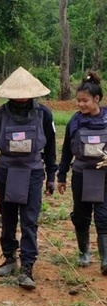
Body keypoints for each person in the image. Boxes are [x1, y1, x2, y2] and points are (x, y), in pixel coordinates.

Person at [0, 66, 57, 290]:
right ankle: (10, 258)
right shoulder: (0, 114)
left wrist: (51, 175)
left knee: (29, 221)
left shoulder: (44, 114)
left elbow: (50, 147)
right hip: (6, 173)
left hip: (32, 173)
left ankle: (27, 267)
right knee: (8, 218)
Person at [57, 72, 107, 275]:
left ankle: (105, 259)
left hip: (103, 175)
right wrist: (61, 175)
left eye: (84, 101)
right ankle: (83, 252)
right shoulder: (74, 122)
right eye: (78, 101)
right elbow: (66, 151)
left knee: (103, 216)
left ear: (96, 99)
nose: (81, 105)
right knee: (81, 215)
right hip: (81, 174)